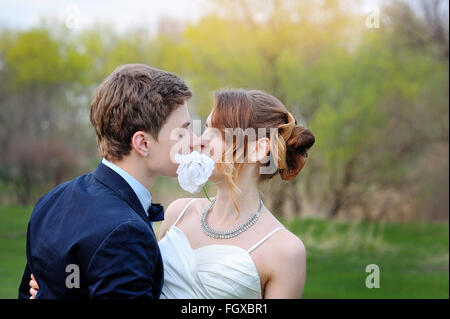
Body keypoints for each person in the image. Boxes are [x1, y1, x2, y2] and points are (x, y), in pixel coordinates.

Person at [28, 88, 315, 299]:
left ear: (257, 148)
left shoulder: (285, 251)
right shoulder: (179, 212)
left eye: (216, 132)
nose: (200, 141)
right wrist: (62, 288)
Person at [19, 64, 194, 298]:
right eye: (182, 132)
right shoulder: (126, 233)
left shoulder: (51, 200)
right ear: (142, 143)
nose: (193, 141)